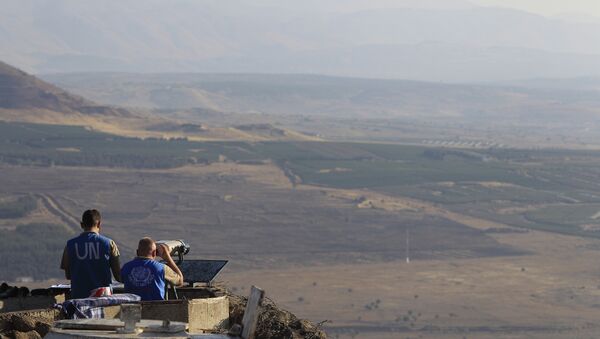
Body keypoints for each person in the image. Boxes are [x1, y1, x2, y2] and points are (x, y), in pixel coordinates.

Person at [60, 209, 121, 299]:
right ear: (99, 224)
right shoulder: (109, 244)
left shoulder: (70, 245)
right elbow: (118, 276)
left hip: (79, 298)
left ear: (81, 224)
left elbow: (68, 275)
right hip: (103, 297)